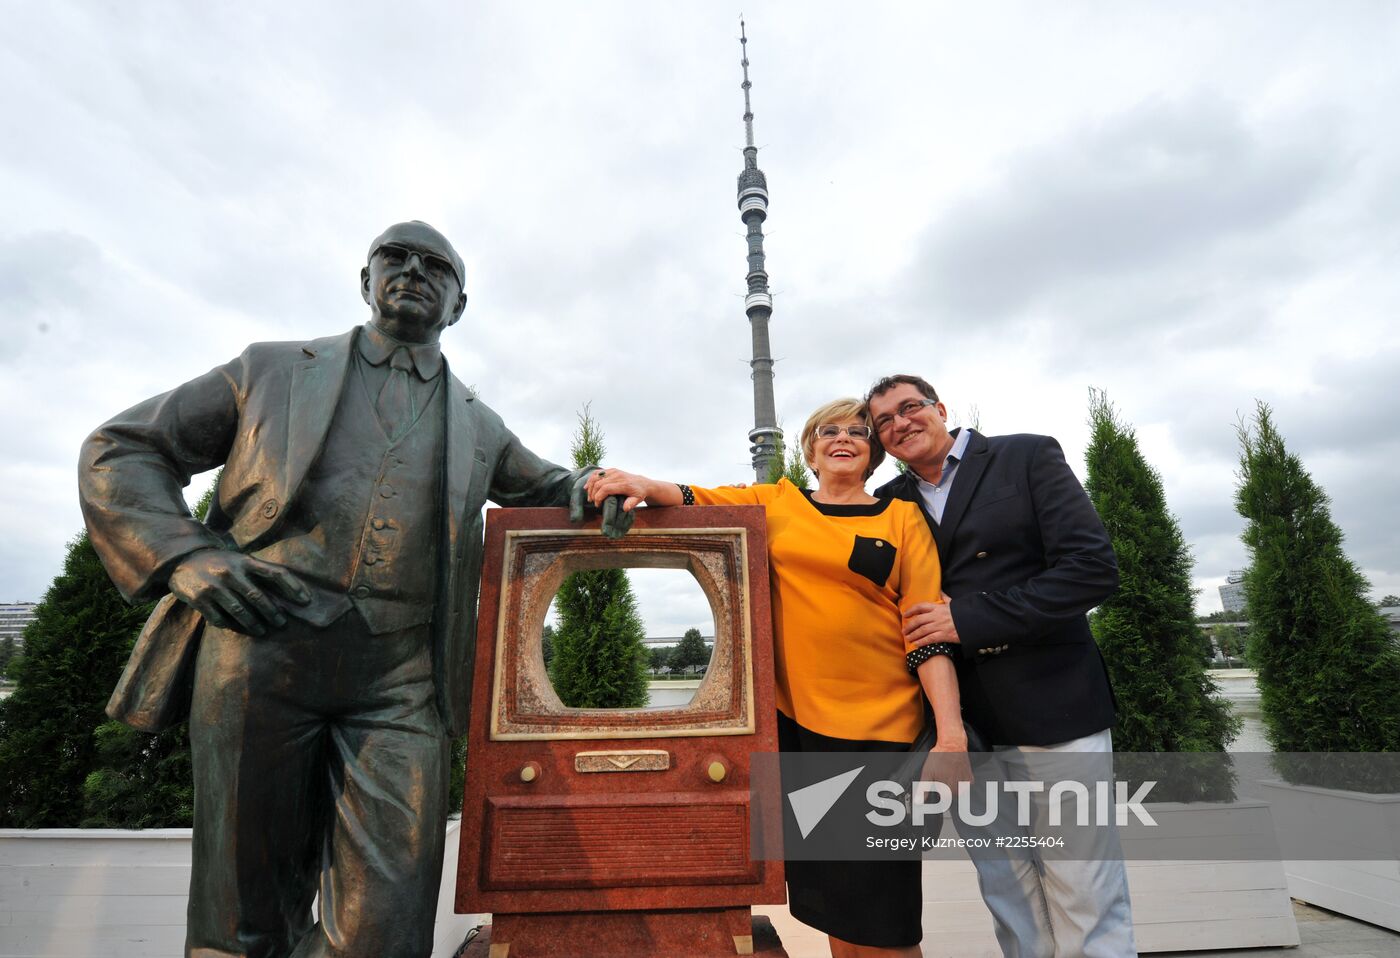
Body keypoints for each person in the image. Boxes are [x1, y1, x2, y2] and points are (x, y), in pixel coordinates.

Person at [78, 221, 629, 958]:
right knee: (243, 912)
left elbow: (551, 486)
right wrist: (182, 555)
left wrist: (594, 485)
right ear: (364, 280)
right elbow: (124, 447)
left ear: (459, 305)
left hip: (401, 680)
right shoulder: (270, 371)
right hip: (258, 653)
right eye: (393, 258)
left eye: (435, 266)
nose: (411, 270)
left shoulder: (478, 423)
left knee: (386, 927)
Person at [585, 398, 967, 958]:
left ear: (874, 452)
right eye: (830, 431)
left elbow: (927, 631)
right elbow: (692, 497)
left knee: (886, 911)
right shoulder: (776, 502)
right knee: (838, 904)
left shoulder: (901, 517)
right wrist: (639, 481)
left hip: (885, 734)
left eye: (859, 432)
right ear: (810, 449)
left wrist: (952, 736)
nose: (844, 438)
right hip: (799, 735)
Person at [865, 374, 1134, 958]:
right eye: (883, 421)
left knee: (1086, 888)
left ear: (939, 408)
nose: (899, 424)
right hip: (962, 730)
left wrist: (972, 618)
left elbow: (1091, 569)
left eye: (909, 408)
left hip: (1054, 708)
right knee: (1006, 890)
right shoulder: (887, 502)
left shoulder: (1025, 455)